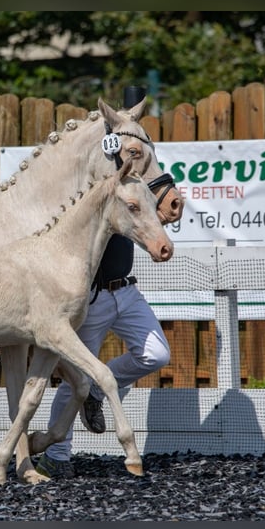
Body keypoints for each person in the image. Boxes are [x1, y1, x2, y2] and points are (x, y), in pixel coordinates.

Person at [36, 88, 172, 479]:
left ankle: (97, 391)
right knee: (74, 375)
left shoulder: (135, 185)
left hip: (126, 290)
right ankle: (57, 457)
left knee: (156, 355)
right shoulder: (92, 188)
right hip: (93, 296)